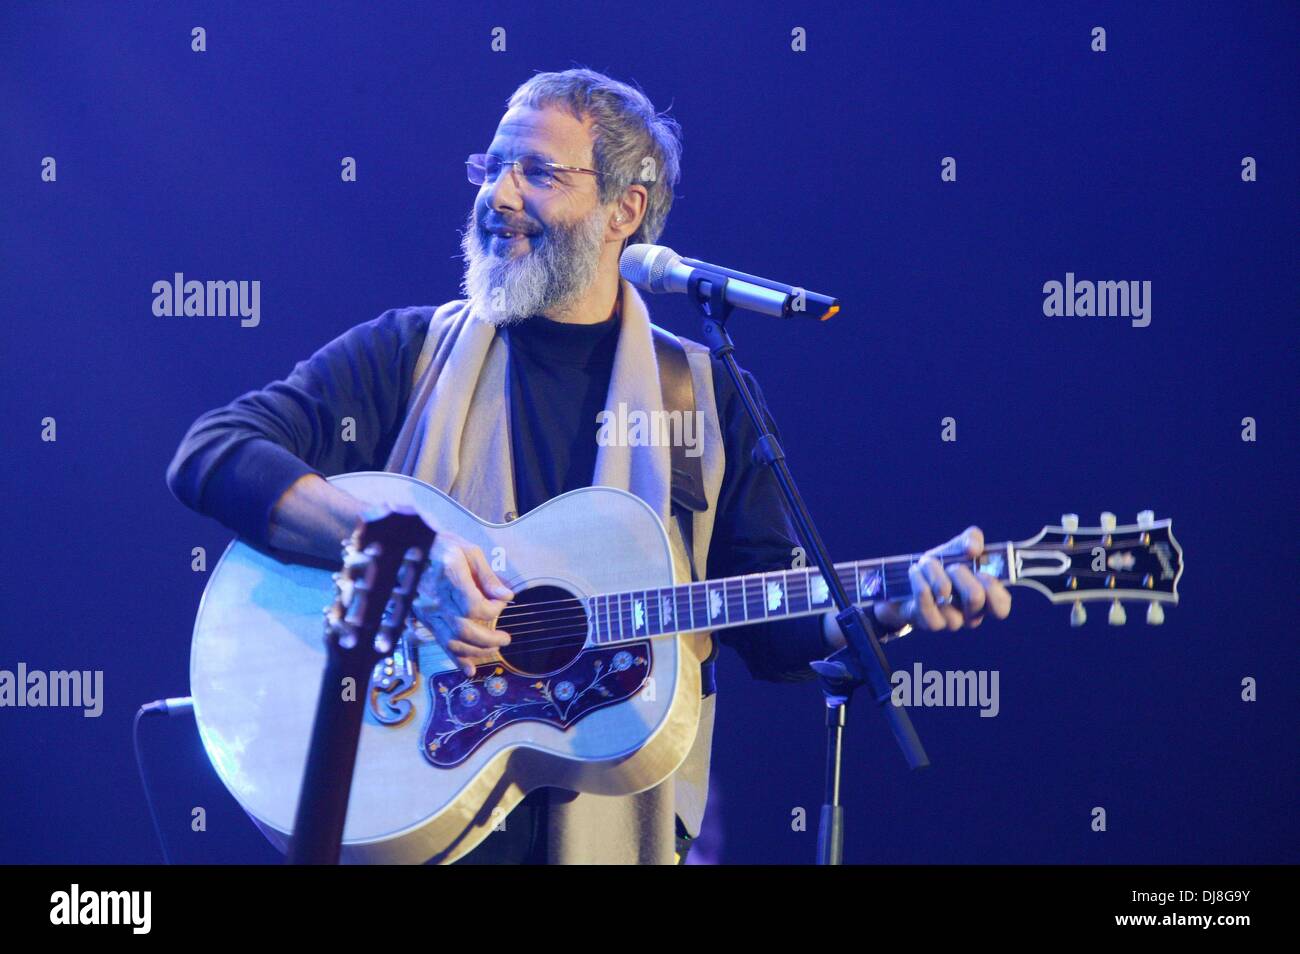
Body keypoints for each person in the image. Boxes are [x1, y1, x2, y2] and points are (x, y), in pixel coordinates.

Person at [166, 67, 1011, 865]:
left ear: (624, 209)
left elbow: (767, 612)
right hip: (412, 814)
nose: (496, 198)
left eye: (536, 173)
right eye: (491, 168)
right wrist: (397, 553)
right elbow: (213, 453)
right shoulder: (408, 353)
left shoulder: (705, 394)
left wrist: (887, 602)